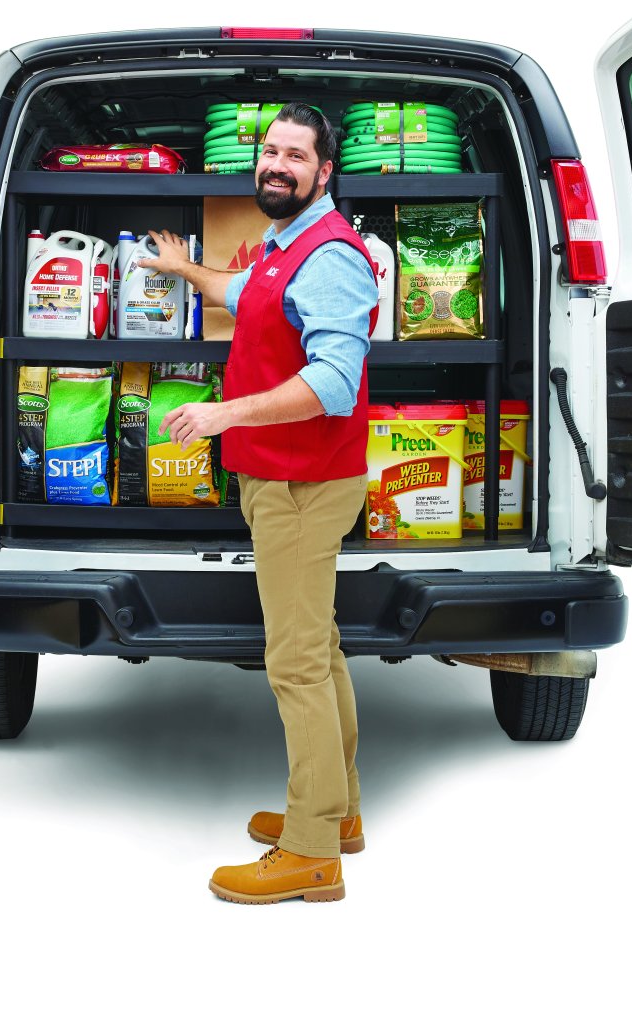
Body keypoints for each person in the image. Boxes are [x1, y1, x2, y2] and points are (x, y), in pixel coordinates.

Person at [138, 102, 379, 904]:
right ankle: (336, 811)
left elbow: (335, 384)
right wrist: (183, 270)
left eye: (295, 155)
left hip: (304, 483)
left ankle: (312, 851)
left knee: (297, 662)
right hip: (279, 475)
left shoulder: (332, 256)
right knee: (324, 644)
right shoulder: (284, 248)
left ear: (324, 171)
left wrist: (222, 414)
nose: (276, 164)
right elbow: (242, 292)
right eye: (269, 150)